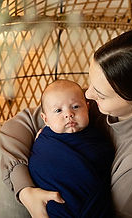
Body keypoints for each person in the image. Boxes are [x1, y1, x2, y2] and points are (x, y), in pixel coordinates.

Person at [1, 27, 132, 218]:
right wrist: (25, 191)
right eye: (91, 83)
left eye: (99, 93)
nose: (87, 94)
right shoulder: (113, 100)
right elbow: (18, 125)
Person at [28, 79, 115, 217]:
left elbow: (105, 160)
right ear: (46, 120)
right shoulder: (43, 140)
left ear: (87, 107)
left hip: (90, 207)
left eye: (75, 107)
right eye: (58, 110)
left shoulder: (96, 138)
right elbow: (38, 166)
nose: (69, 114)